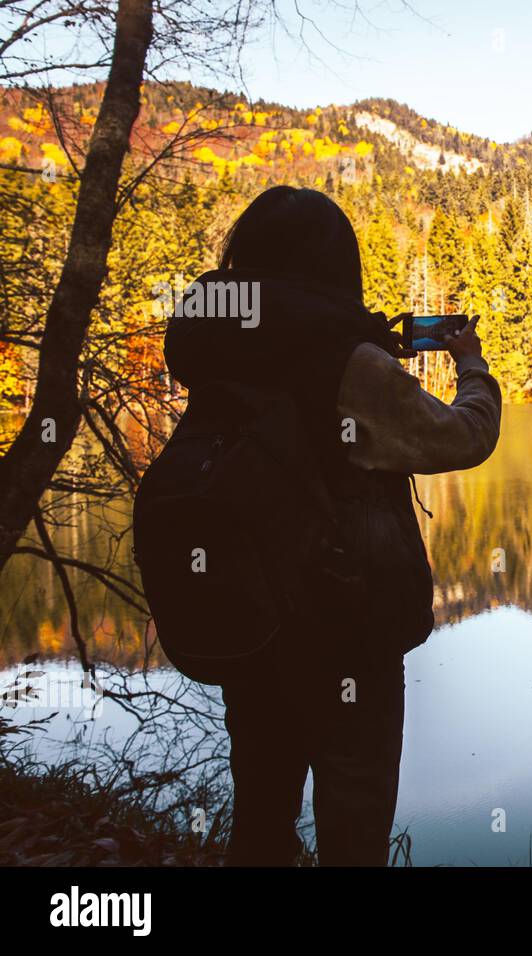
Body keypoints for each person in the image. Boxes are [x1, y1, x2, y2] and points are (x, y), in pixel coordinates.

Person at [162, 186, 502, 865]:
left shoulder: (219, 347)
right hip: (345, 625)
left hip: (251, 616)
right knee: (353, 820)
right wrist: (471, 366)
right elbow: (465, 437)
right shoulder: (348, 363)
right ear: (335, 267)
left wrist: (371, 353)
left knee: (260, 814)